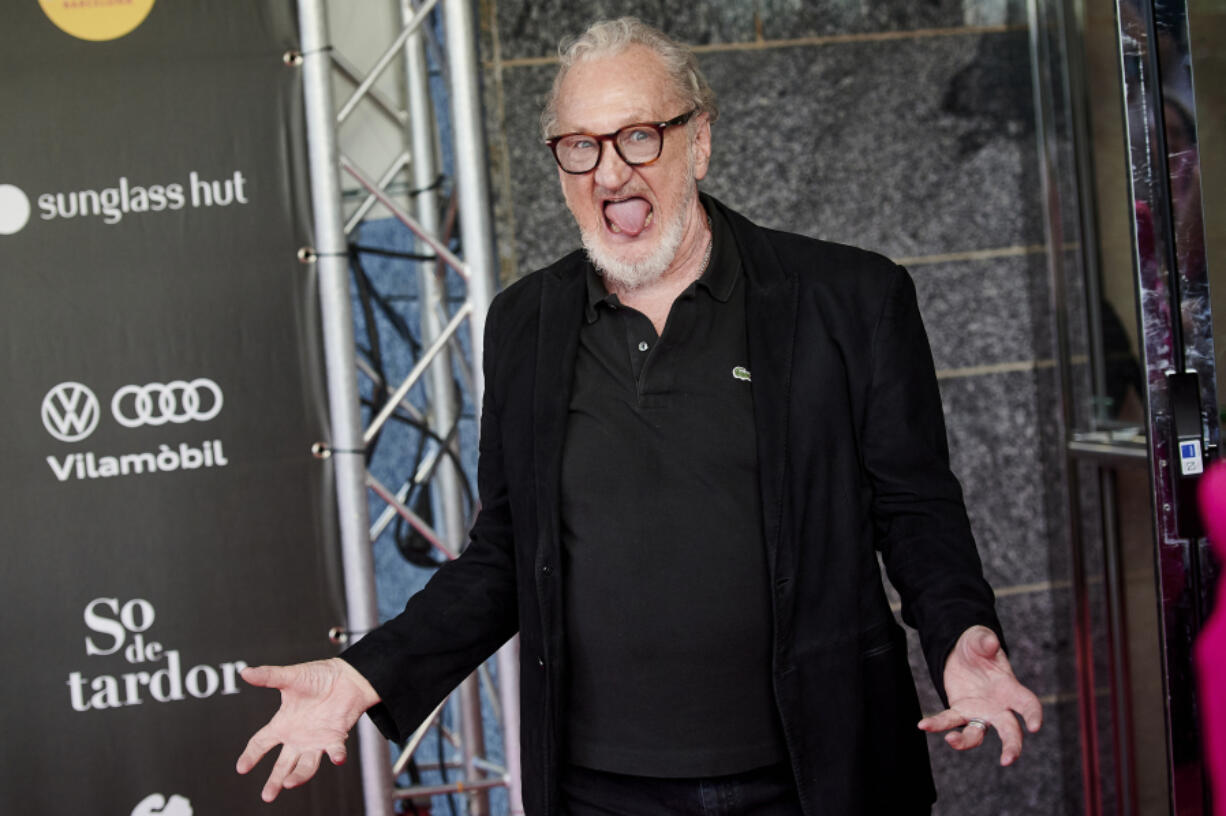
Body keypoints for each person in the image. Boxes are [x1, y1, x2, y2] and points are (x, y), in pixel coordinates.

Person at [237, 17, 1042, 815]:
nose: (609, 172)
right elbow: (504, 558)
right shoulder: (527, 322)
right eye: (580, 146)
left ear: (699, 141)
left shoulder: (849, 299)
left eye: (639, 137)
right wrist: (362, 675)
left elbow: (915, 510)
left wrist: (961, 636)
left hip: (813, 776)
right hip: (600, 791)